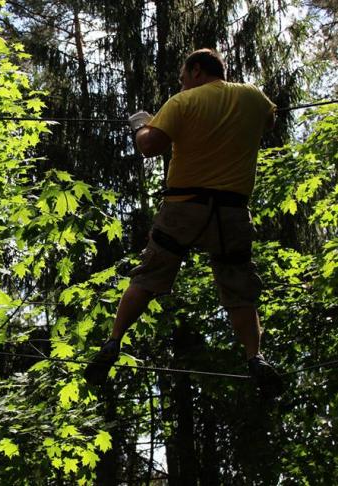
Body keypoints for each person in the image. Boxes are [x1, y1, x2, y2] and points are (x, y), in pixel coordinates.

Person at [84, 48, 284, 399]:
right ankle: (255, 358)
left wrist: (141, 126)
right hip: (231, 211)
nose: (181, 83)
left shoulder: (183, 102)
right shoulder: (253, 96)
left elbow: (150, 146)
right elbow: (269, 121)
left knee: (148, 276)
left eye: (182, 77)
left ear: (195, 71)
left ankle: (113, 342)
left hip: (183, 207)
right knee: (238, 287)